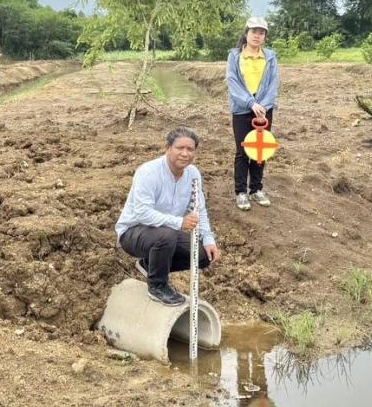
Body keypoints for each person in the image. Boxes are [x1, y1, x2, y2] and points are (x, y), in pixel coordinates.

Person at [115, 128, 220, 306]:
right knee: (167, 235)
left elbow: (198, 209)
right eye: (180, 148)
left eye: (190, 149)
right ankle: (157, 286)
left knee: (201, 256)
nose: (185, 154)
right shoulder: (149, 172)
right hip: (133, 233)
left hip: (166, 234)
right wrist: (179, 222)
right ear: (167, 148)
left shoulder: (193, 174)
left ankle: (150, 265)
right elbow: (142, 213)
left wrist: (208, 239)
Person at [225, 16, 279, 211]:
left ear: (265, 36)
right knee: (242, 151)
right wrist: (250, 103)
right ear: (246, 33)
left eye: (261, 32)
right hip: (241, 109)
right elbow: (232, 82)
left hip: (265, 110)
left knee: (260, 150)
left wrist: (263, 105)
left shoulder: (270, 57)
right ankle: (241, 192)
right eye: (254, 31)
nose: (257, 35)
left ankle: (256, 189)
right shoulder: (234, 56)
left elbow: (273, 84)